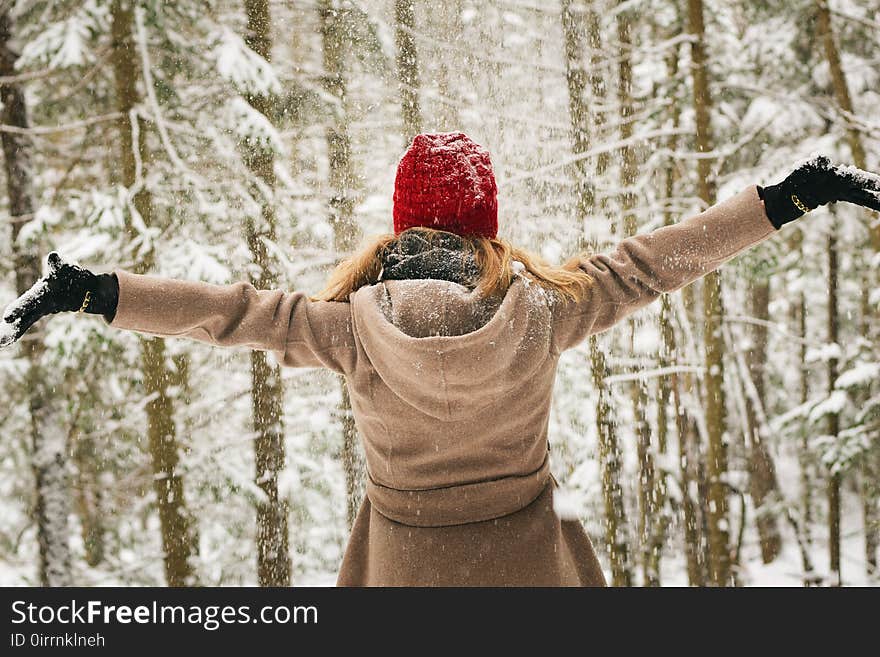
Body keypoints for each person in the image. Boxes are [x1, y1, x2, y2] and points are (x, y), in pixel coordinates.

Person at [2, 132, 879, 586]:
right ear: (485, 222)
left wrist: (96, 290)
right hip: (536, 574)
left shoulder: (347, 328)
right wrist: (790, 197)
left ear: (400, 223)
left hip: (405, 576)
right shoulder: (545, 309)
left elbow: (228, 316)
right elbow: (659, 260)